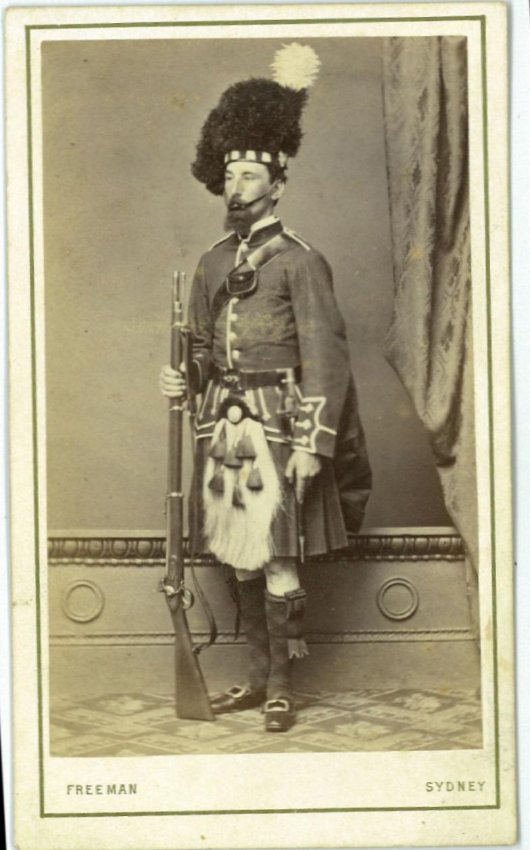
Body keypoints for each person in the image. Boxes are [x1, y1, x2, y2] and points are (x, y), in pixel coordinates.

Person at [159, 44, 371, 732]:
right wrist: (183, 375)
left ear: (278, 184)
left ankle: (281, 687)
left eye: (249, 175)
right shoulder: (211, 262)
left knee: (280, 564)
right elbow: (200, 350)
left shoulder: (301, 262)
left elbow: (327, 360)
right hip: (223, 431)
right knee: (242, 561)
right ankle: (254, 680)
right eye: (229, 175)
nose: (236, 187)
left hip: (282, 429)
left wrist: (313, 445)